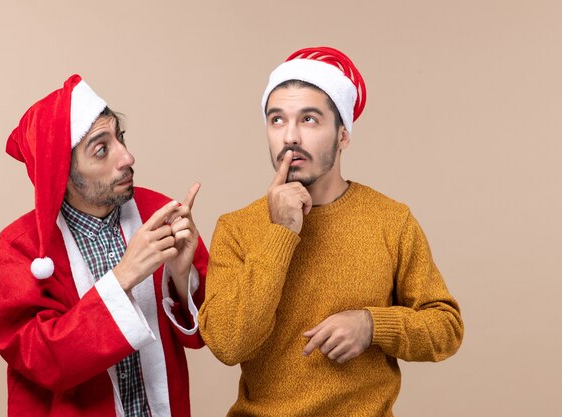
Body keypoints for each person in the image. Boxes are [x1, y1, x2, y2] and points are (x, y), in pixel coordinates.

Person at [198, 47, 464, 416]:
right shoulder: (237, 228)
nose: (290, 136)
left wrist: (373, 325)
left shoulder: (390, 220)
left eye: (309, 119)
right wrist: (281, 234)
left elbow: (446, 328)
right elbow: (228, 344)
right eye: (277, 120)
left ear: (343, 135)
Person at [0, 74, 208, 417]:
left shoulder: (159, 214)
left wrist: (181, 278)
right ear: (62, 171)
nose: (127, 157)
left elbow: (203, 337)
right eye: (102, 149)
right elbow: (43, 362)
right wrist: (122, 277)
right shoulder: (19, 248)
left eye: (120, 138)